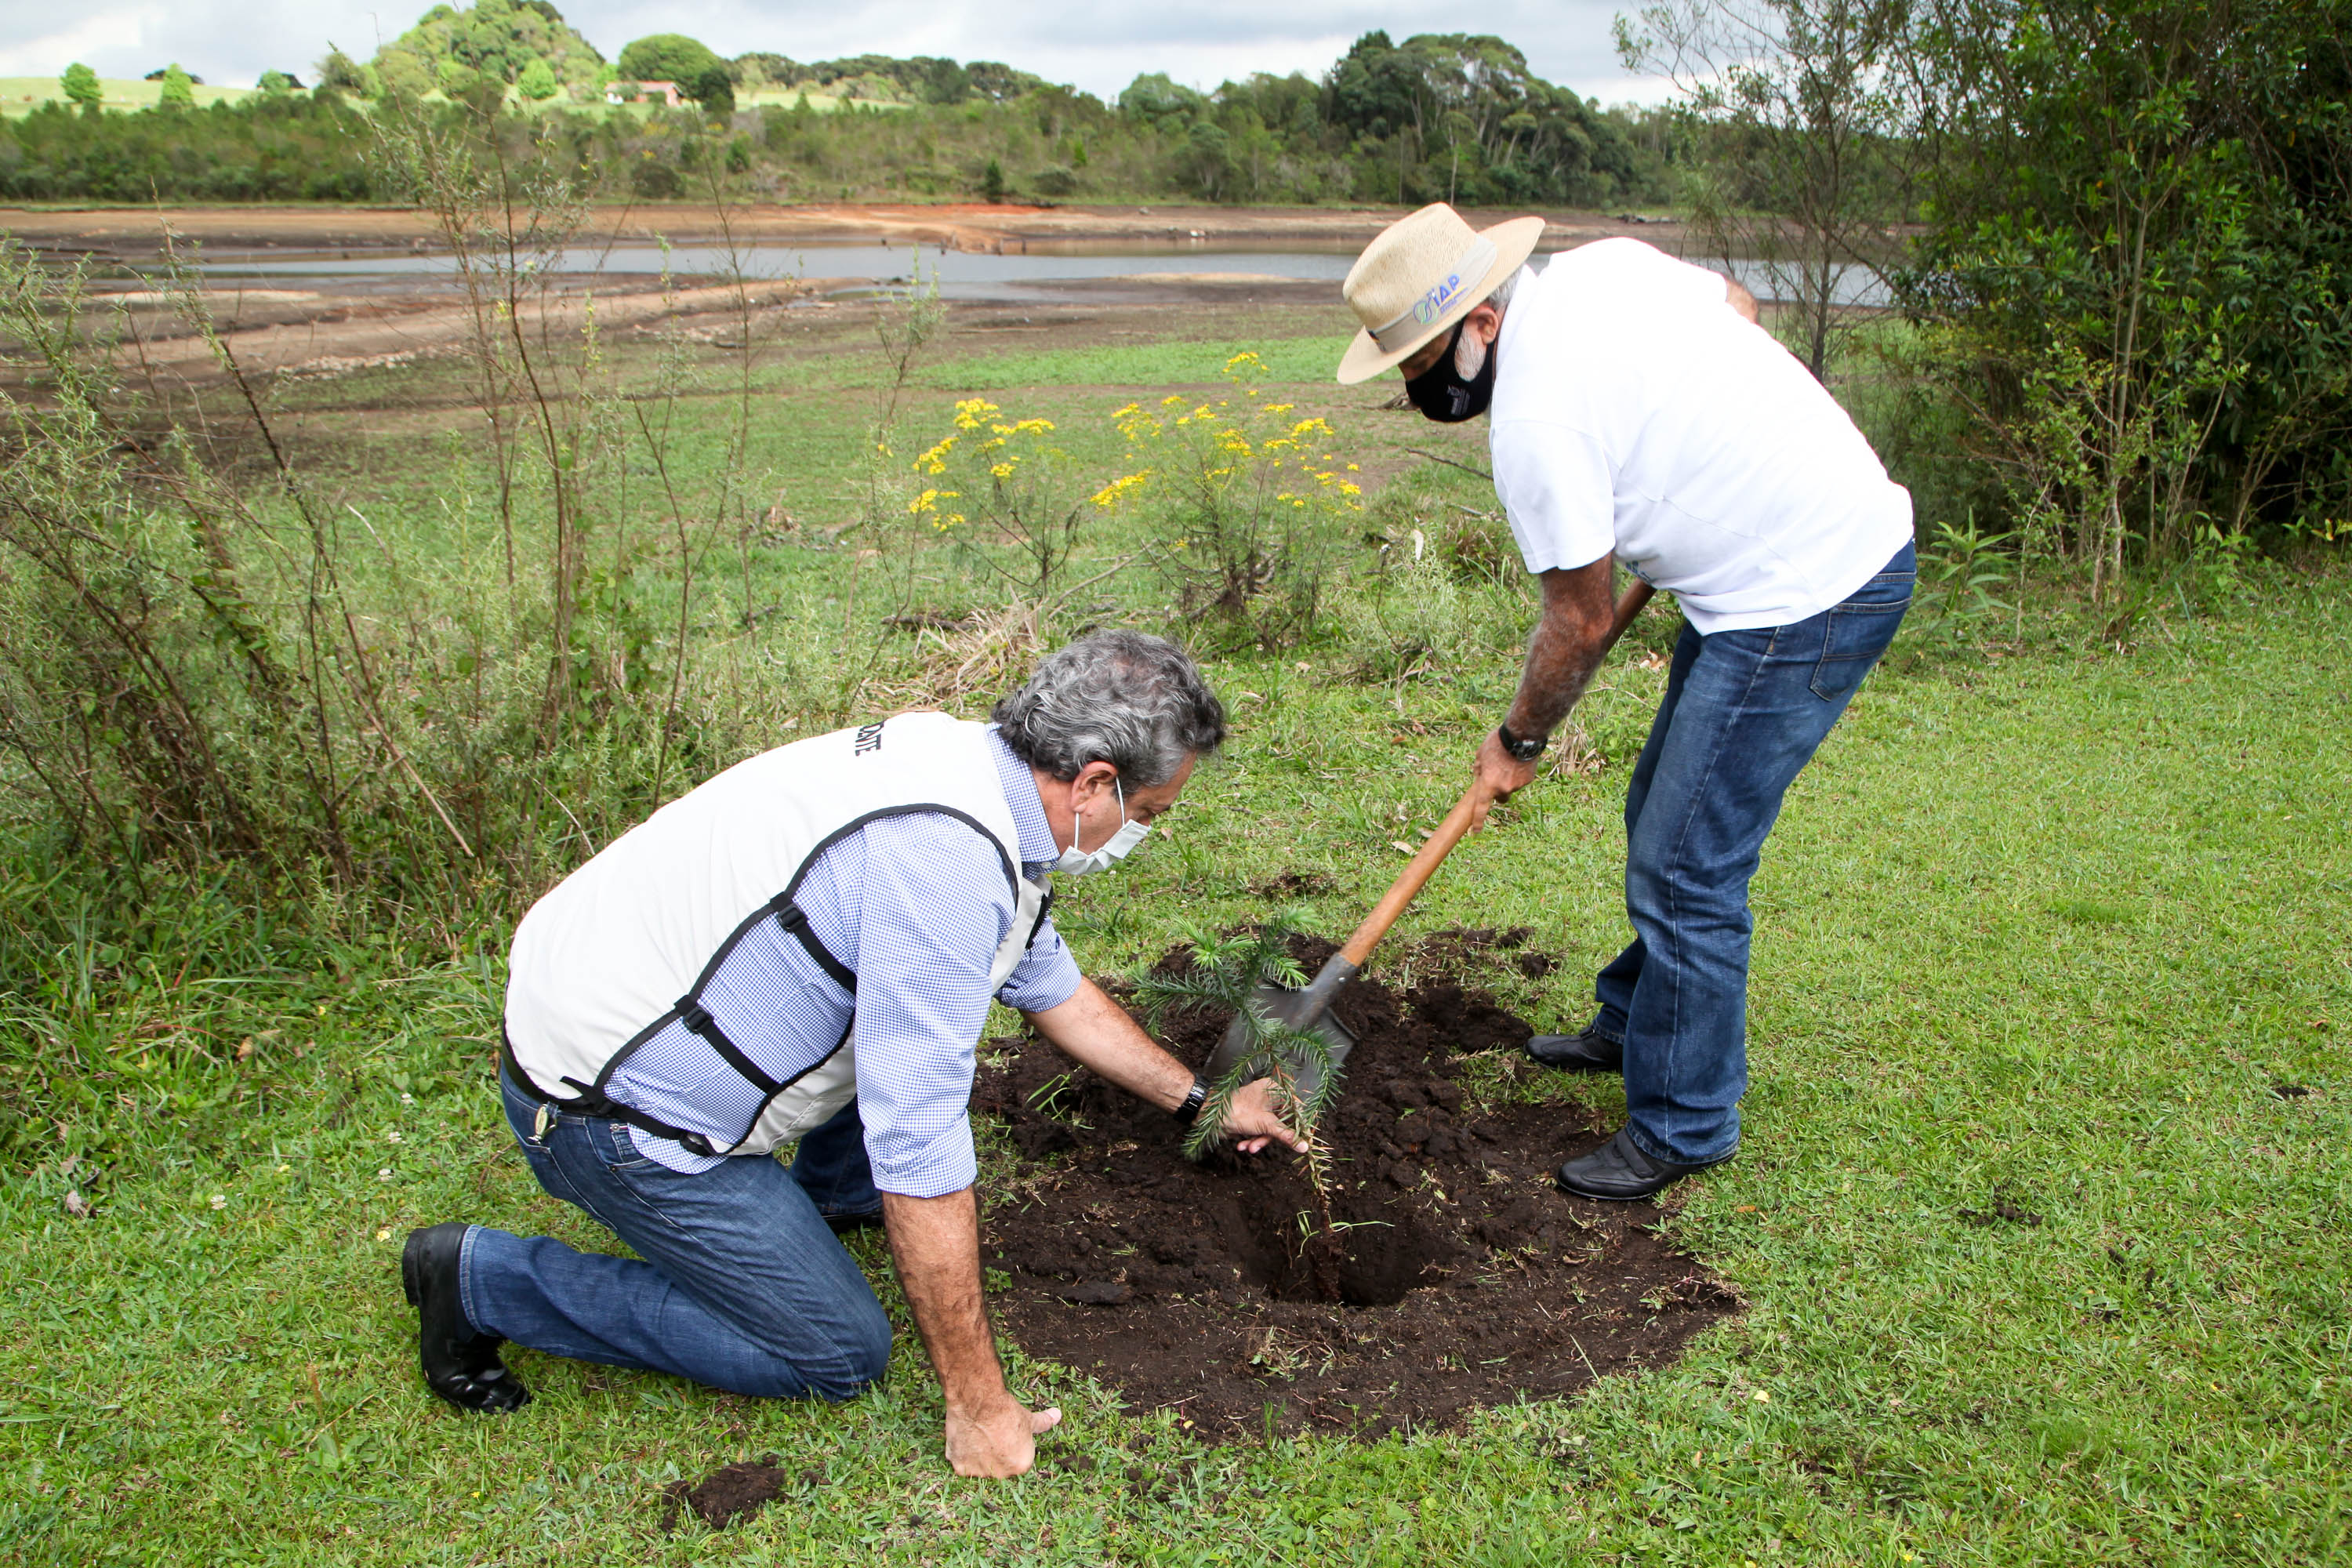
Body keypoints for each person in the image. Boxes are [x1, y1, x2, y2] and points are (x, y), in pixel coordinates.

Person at [399, 631, 1298, 1479]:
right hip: (613, 1110)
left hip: (623, 996)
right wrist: (981, 1405)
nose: (1143, 830)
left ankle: (829, 1191)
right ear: (1093, 781)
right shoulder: (943, 861)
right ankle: (483, 1280)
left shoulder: (966, 763)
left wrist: (1206, 1102)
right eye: (1145, 811)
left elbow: (1047, 981)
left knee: (897, 1017)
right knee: (834, 1350)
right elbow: (919, 1143)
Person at [1335, 204, 1915, 1201]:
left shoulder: (1535, 425)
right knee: (1663, 813)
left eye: (1420, 356)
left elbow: (1577, 624)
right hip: (1773, 565)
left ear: (1480, 322)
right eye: (1399, 361)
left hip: (1809, 588)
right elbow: (1739, 304)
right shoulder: (1602, 271)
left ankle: (1686, 1122)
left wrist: (1518, 738)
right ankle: (1636, 1018)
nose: (1411, 382)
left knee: (1688, 862)